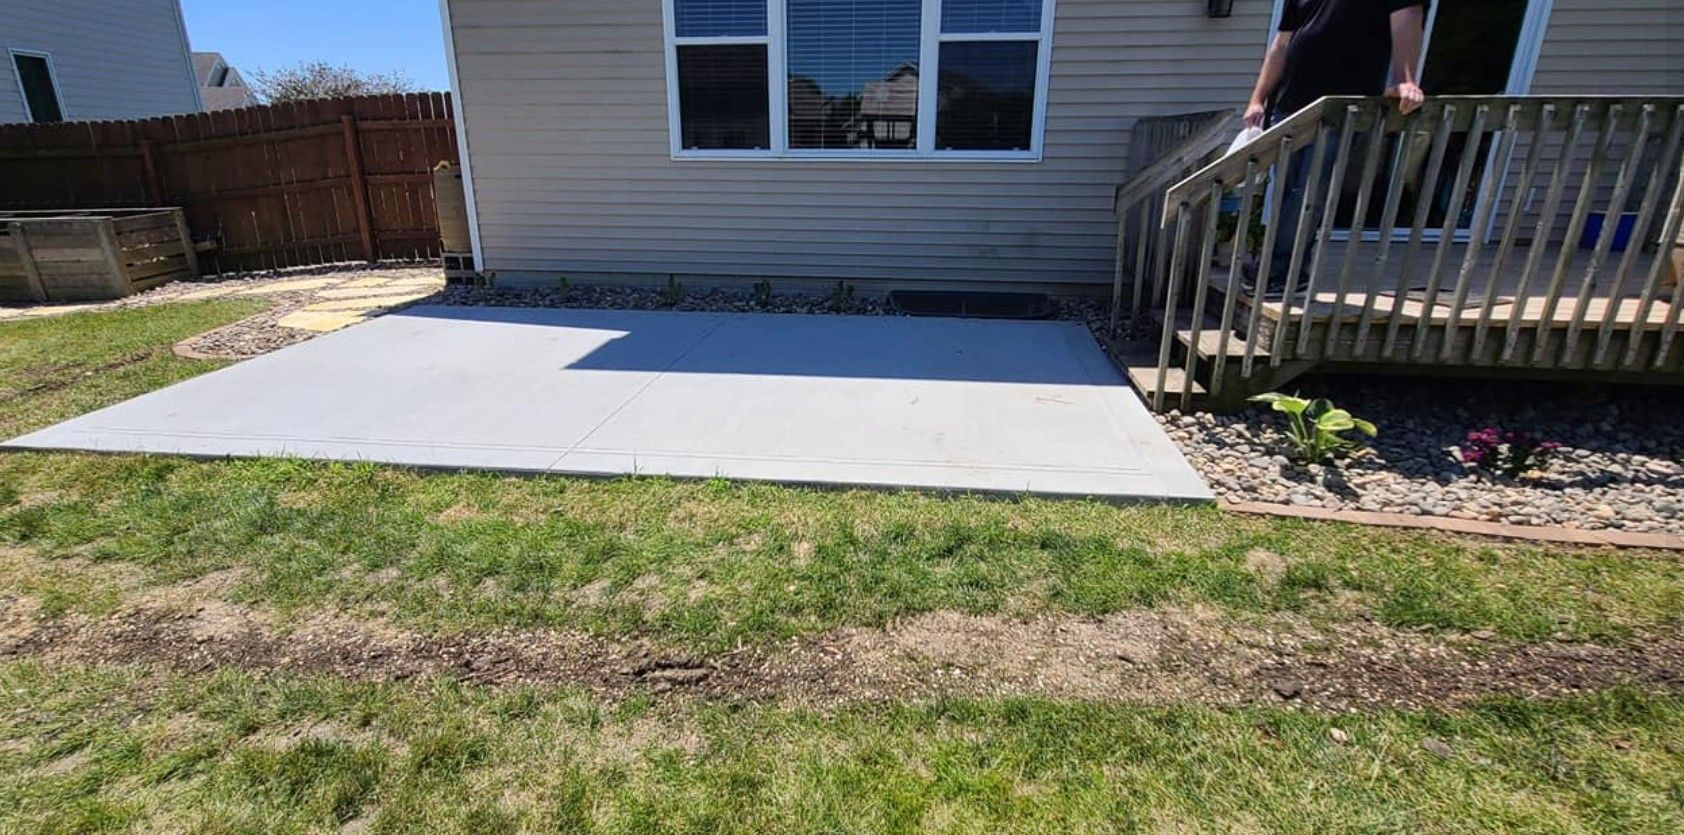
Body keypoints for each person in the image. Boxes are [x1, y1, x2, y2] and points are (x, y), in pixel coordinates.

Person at [1243, 0, 1429, 295]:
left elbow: (1408, 16)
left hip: (1340, 110)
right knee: (1284, 191)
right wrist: (1257, 99)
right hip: (1288, 107)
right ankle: (1280, 268)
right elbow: (1281, 45)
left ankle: (1280, 273)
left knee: (1308, 193)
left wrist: (1404, 80)